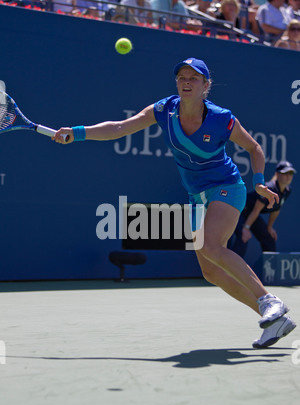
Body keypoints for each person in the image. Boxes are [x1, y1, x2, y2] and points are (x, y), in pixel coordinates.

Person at [53, 57, 297, 349]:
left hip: (226, 186)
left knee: (211, 246)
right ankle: (274, 318)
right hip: (196, 195)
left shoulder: (222, 118)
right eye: (182, 77)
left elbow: (253, 147)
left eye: (194, 78)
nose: (186, 82)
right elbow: (119, 127)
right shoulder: (164, 110)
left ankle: (269, 299)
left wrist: (258, 180)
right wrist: (78, 133)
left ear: (206, 86)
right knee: (209, 270)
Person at [230, 161, 296, 258]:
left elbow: (276, 210)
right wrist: (245, 228)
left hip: (250, 213)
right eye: (285, 173)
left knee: (269, 238)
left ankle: (271, 270)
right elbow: (256, 210)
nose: (288, 176)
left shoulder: (287, 191)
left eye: (290, 173)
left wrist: (269, 227)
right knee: (243, 236)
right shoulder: (269, 188)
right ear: (277, 174)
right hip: (239, 210)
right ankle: (230, 270)